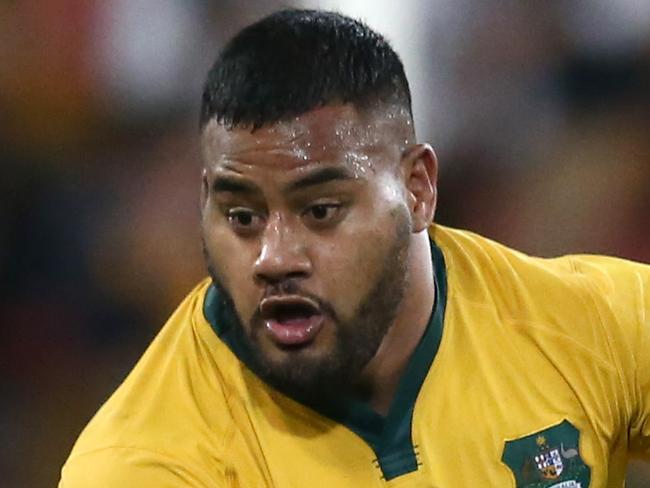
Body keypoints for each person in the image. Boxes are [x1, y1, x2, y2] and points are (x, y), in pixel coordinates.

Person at [59, 9, 649, 487]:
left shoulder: (588, 325)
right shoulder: (145, 464)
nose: (274, 258)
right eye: (242, 215)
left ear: (417, 189)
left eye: (321, 211)